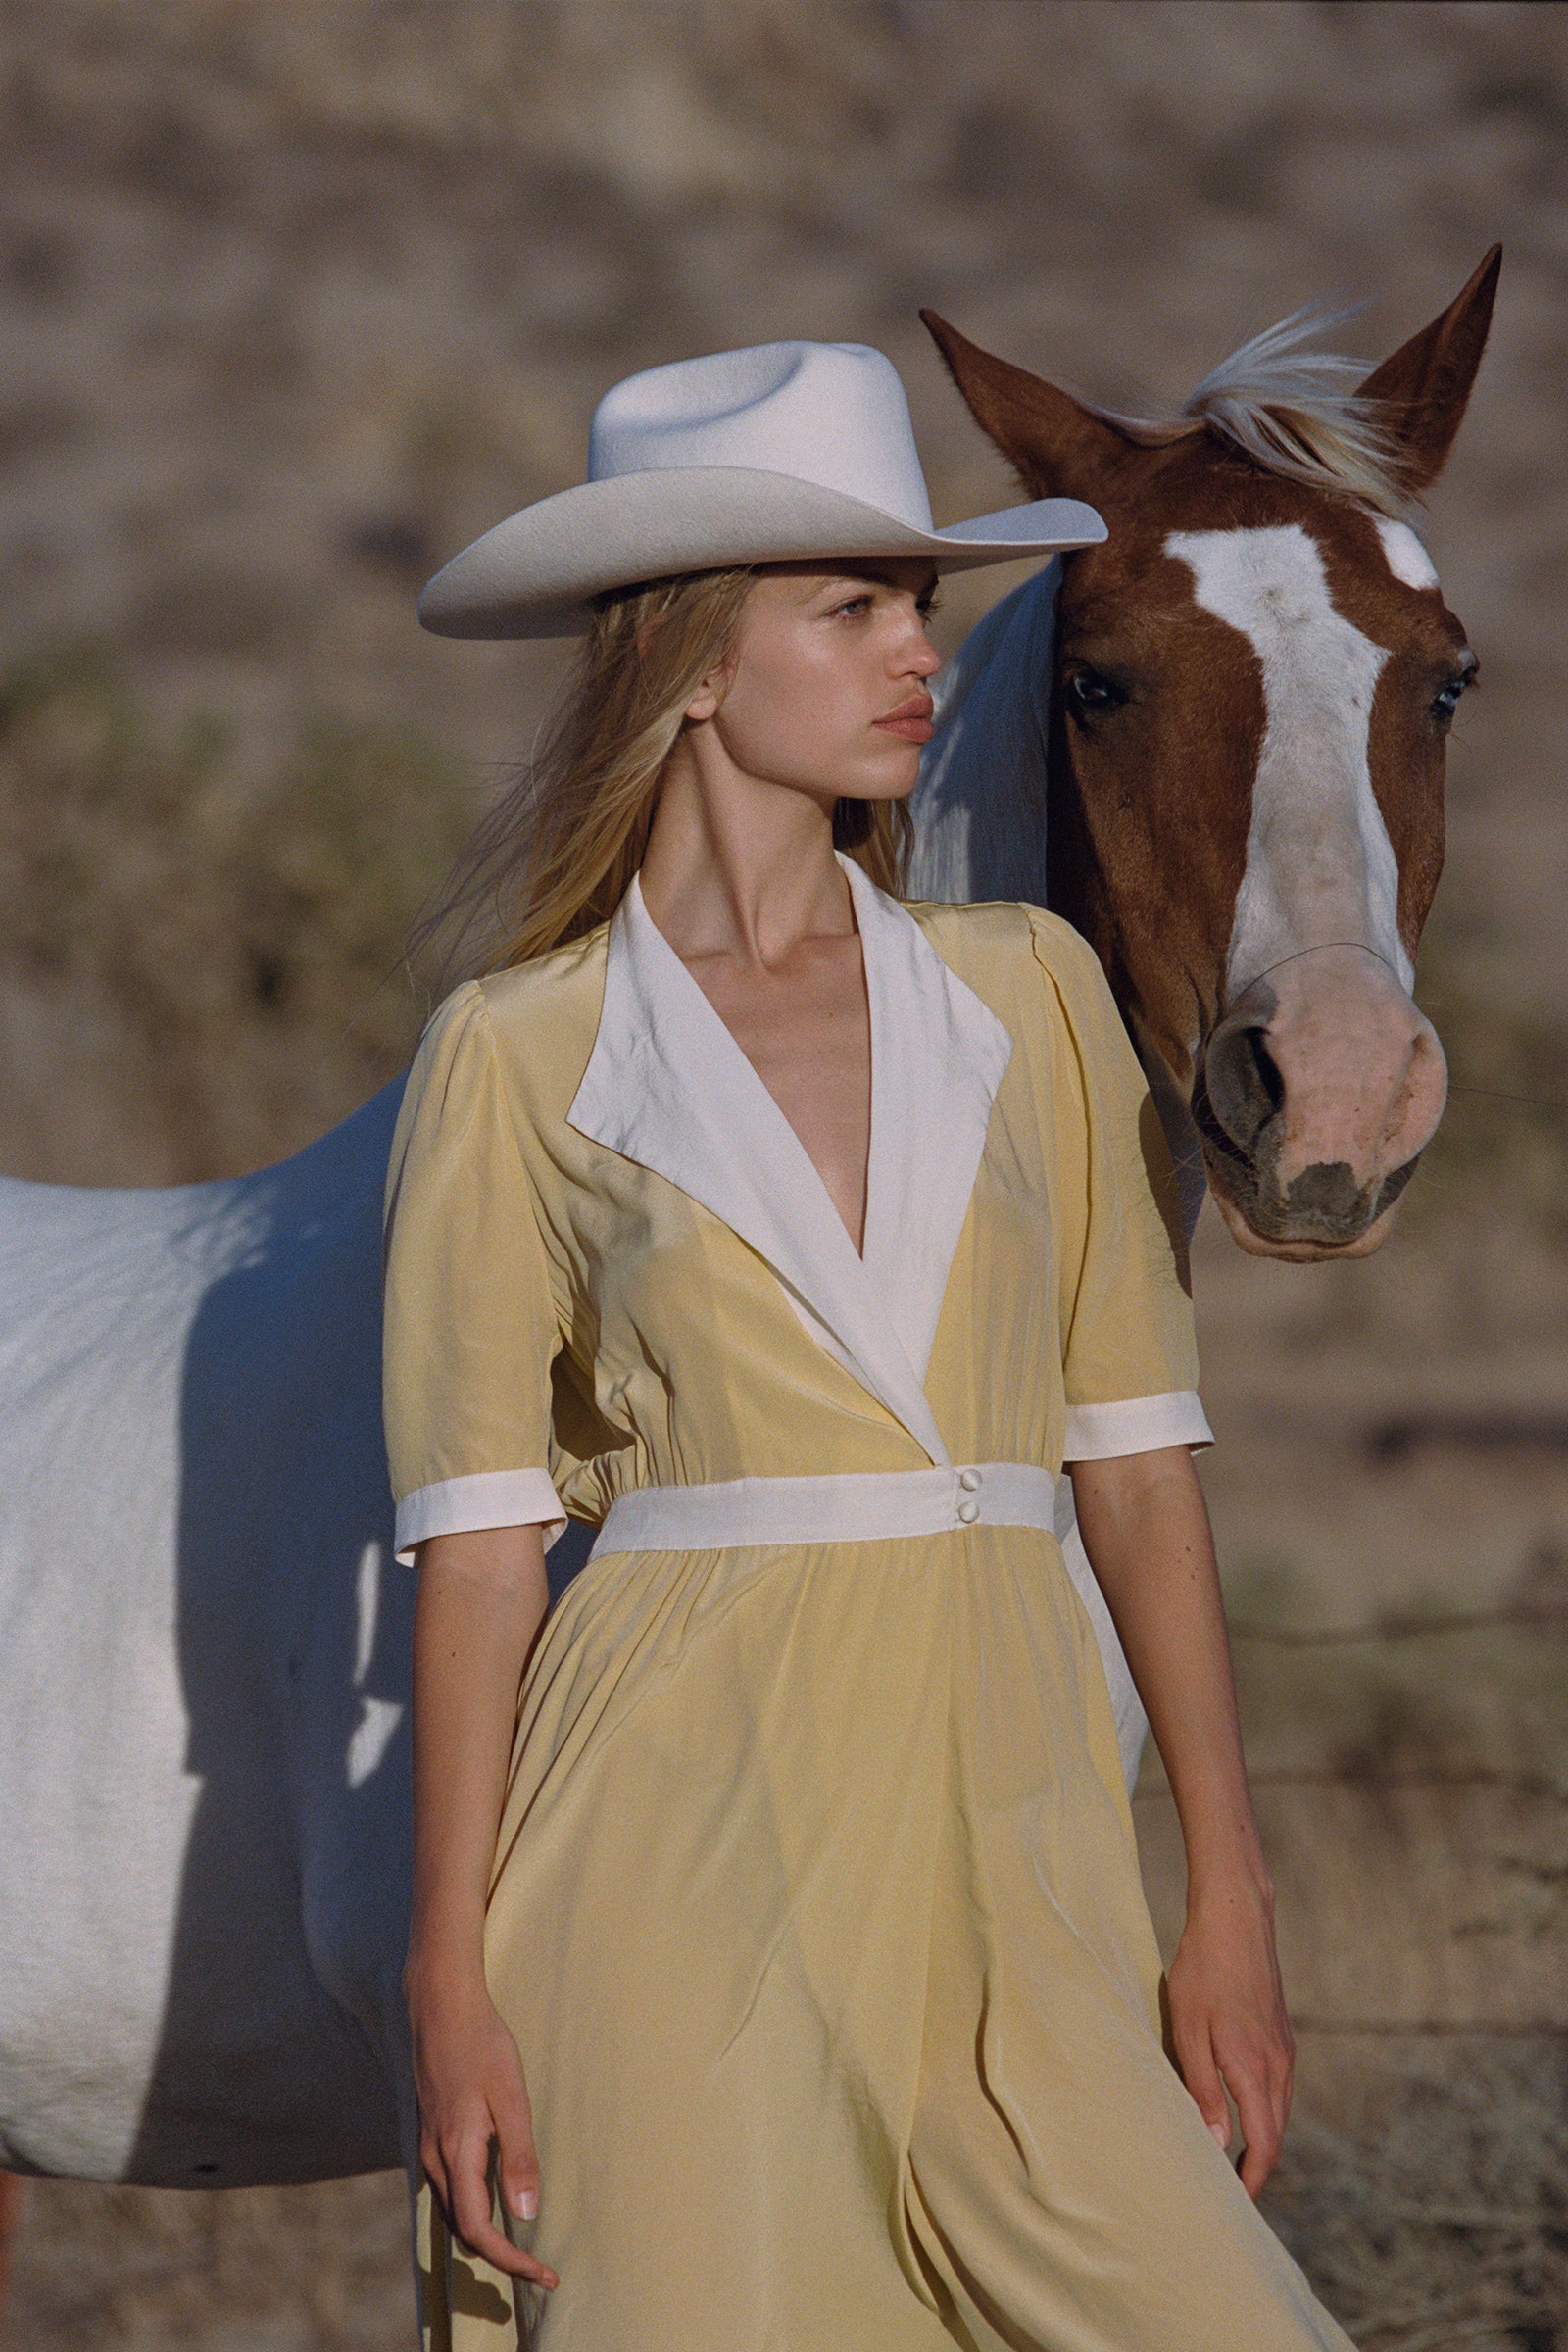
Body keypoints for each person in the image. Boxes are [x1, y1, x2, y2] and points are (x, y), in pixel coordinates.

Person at [382, 339, 1355, 2350]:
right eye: (851, 605)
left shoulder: (1027, 998)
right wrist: (449, 1983)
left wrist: (1228, 1898)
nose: (919, 649)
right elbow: (479, 1555)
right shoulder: (517, 1055)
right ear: (692, 667)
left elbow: (1137, 1465)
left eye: (920, 601)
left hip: (1021, 1861)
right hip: (665, 1855)